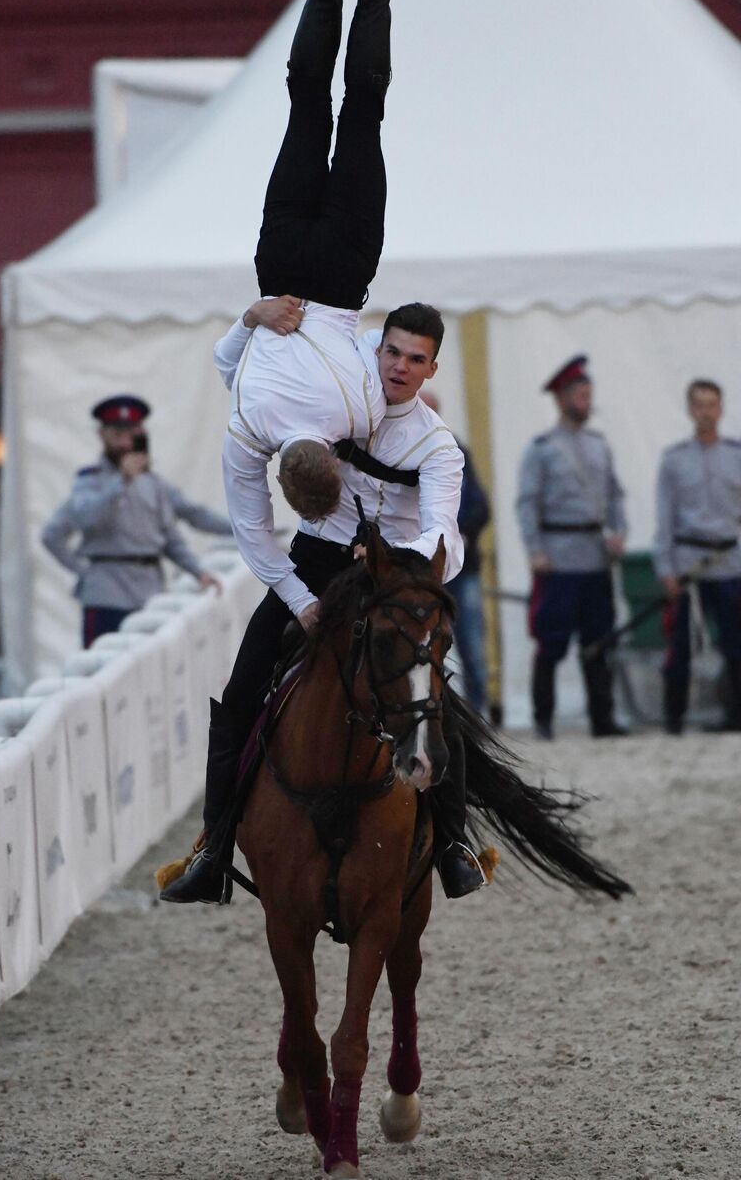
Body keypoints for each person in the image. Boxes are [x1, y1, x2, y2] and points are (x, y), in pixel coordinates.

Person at [162, 300, 487, 904]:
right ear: (375, 345)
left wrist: (395, 558)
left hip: (390, 575)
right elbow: (237, 374)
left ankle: (452, 845)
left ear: (431, 371)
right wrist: (250, 319)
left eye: (416, 359)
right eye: (392, 351)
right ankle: (212, 847)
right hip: (313, 560)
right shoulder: (338, 376)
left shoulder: (439, 447)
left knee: (437, 700)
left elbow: (447, 535)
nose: (399, 367)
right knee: (239, 694)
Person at [218, 0, 393, 630]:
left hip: (345, 270)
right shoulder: (247, 426)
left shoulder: (357, 415)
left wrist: (306, 597)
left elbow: (384, 360)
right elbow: (225, 364)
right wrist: (250, 318)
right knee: (306, 101)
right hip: (280, 271)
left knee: (362, 104)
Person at [42, 395, 220, 646]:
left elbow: (170, 535)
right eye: (118, 434)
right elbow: (82, 521)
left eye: (131, 434)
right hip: (107, 595)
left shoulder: (152, 483)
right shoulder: (89, 481)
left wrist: (198, 571)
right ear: (103, 435)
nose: (125, 443)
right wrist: (83, 571)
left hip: (150, 593)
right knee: (104, 670)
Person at [516, 356, 628, 740]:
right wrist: (536, 551)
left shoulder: (600, 445)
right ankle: (543, 720)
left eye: (588, 394)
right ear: (562, 398)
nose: (586, 401)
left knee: (599, 641)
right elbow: (527, 503)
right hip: (559, 558)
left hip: (596, 556)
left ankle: (603, 719)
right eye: (580, 394)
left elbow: (615, 496)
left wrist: (619, 532)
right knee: (552, 642)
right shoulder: (542, 449)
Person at [655, 378, 741, 734]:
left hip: (731, 564)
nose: (706, 412)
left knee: (736, 645)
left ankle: (735, 715)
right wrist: (666, 567)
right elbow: (665, 516)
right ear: (691, 410)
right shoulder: (675, 461)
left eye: (712, 405)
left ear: (720, 409)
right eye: (699, 405)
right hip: (689, 564)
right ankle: (674, 718)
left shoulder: (736, 455)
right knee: (681, 646)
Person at [421, 391, 491, 715]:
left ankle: (478, 712)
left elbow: (481, 507)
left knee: (471, 645)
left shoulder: (457, 451)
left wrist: (455, 531)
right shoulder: (399, 453)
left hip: (460, 567)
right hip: (422, 569)